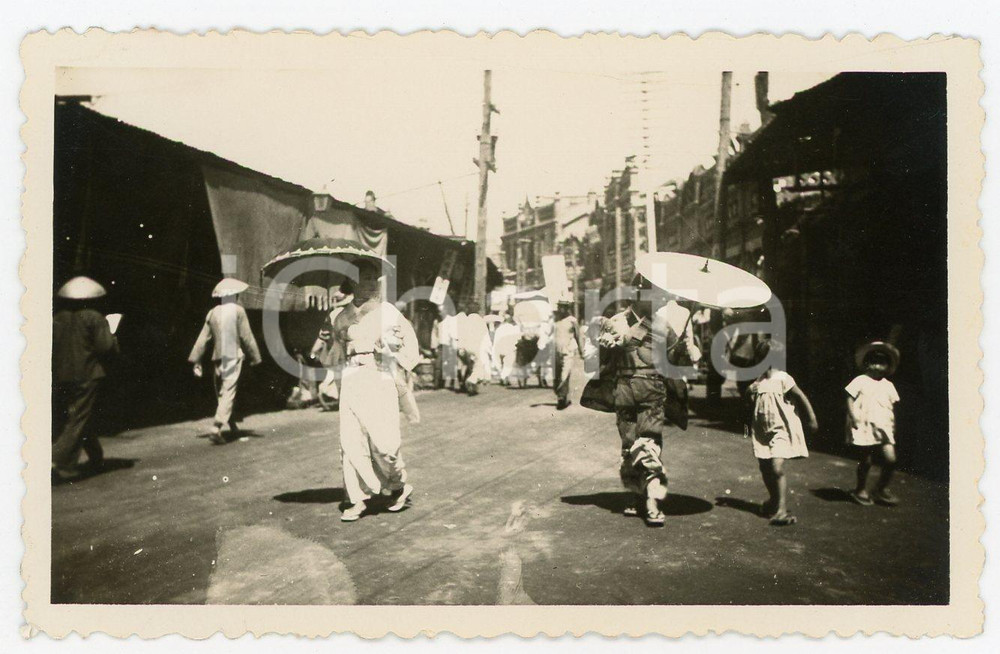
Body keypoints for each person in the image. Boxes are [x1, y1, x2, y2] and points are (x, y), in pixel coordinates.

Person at [580, 274, 701, 527]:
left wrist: (681, 349)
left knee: (649, 443)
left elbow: (680, 362)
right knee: (629, 445)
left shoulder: (665, 325)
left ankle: (652, 502)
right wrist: (604, 347)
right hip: (624, 390)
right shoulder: (616, 322)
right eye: (656, 296)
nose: (661, 301)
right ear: (639, 295)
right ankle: (638, 497)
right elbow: (592, 361)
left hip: (652, 390)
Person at [330, 259, 418, 522]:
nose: (370, 283)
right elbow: (332, 353)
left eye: (373, 278)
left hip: (379, 375)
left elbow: (409, 345)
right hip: (351, 377)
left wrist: (390, 347)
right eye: (364, 277)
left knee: (384, 443)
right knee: (350, 440)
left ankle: (398, 484)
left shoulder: (388, 312)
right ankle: (355, 499)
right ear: (352, 281)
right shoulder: (339, 316)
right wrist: (333, 341)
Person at [745, 339, 818, 526]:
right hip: (762, 432)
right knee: (765, 468)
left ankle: (782, 510)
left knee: (777, 468)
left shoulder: (784, 378)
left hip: (781, 430)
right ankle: (773, 500)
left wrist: (811, 418)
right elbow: (752, 404)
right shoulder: (759, 381)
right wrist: (748, 392)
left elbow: (801, 396)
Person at [52, 276, 119, 480]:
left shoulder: (58, 318)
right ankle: (59, 460)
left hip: (62, 374)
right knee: (80, 416)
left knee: (78, 415)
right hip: (88, 374)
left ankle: (96, 457)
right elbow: (105, 347)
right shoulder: (94, 317)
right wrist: (113, 336)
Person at [188, 278, 262, 445]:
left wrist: (196, 360)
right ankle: (216, 428)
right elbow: (247, 336)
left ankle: (233, 427)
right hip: (232, 356)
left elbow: (203, 338)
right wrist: (256, 357)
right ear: (234, 295)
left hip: (218, 358)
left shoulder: (213, 312)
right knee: (228, 391)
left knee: (224, 392)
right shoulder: (238, 311)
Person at [846, 341, 901, 506]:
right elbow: (849, 398)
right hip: (864, 426)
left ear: (888, 367)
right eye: (874, 362)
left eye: (882, 363)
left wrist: (893, 425)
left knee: (891, 459)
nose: (877, 366)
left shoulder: (888, 385)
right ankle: (860, 489)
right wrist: (853, 416)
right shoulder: (860, 380)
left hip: (883, 427)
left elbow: (892, 406)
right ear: (867, 364)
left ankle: (880, 489)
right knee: (866, 460)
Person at [552, 300, 584, 410]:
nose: (561, 309)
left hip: (568, 351)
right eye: (559, 306)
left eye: (563, 307)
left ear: (567, 308)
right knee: (556, 377)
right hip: (555, 352)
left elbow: (578, 336)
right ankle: (563, 396)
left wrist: (581, 351)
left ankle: (561, 398)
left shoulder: (572, 321)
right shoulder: (555, 320)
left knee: (564, 375)